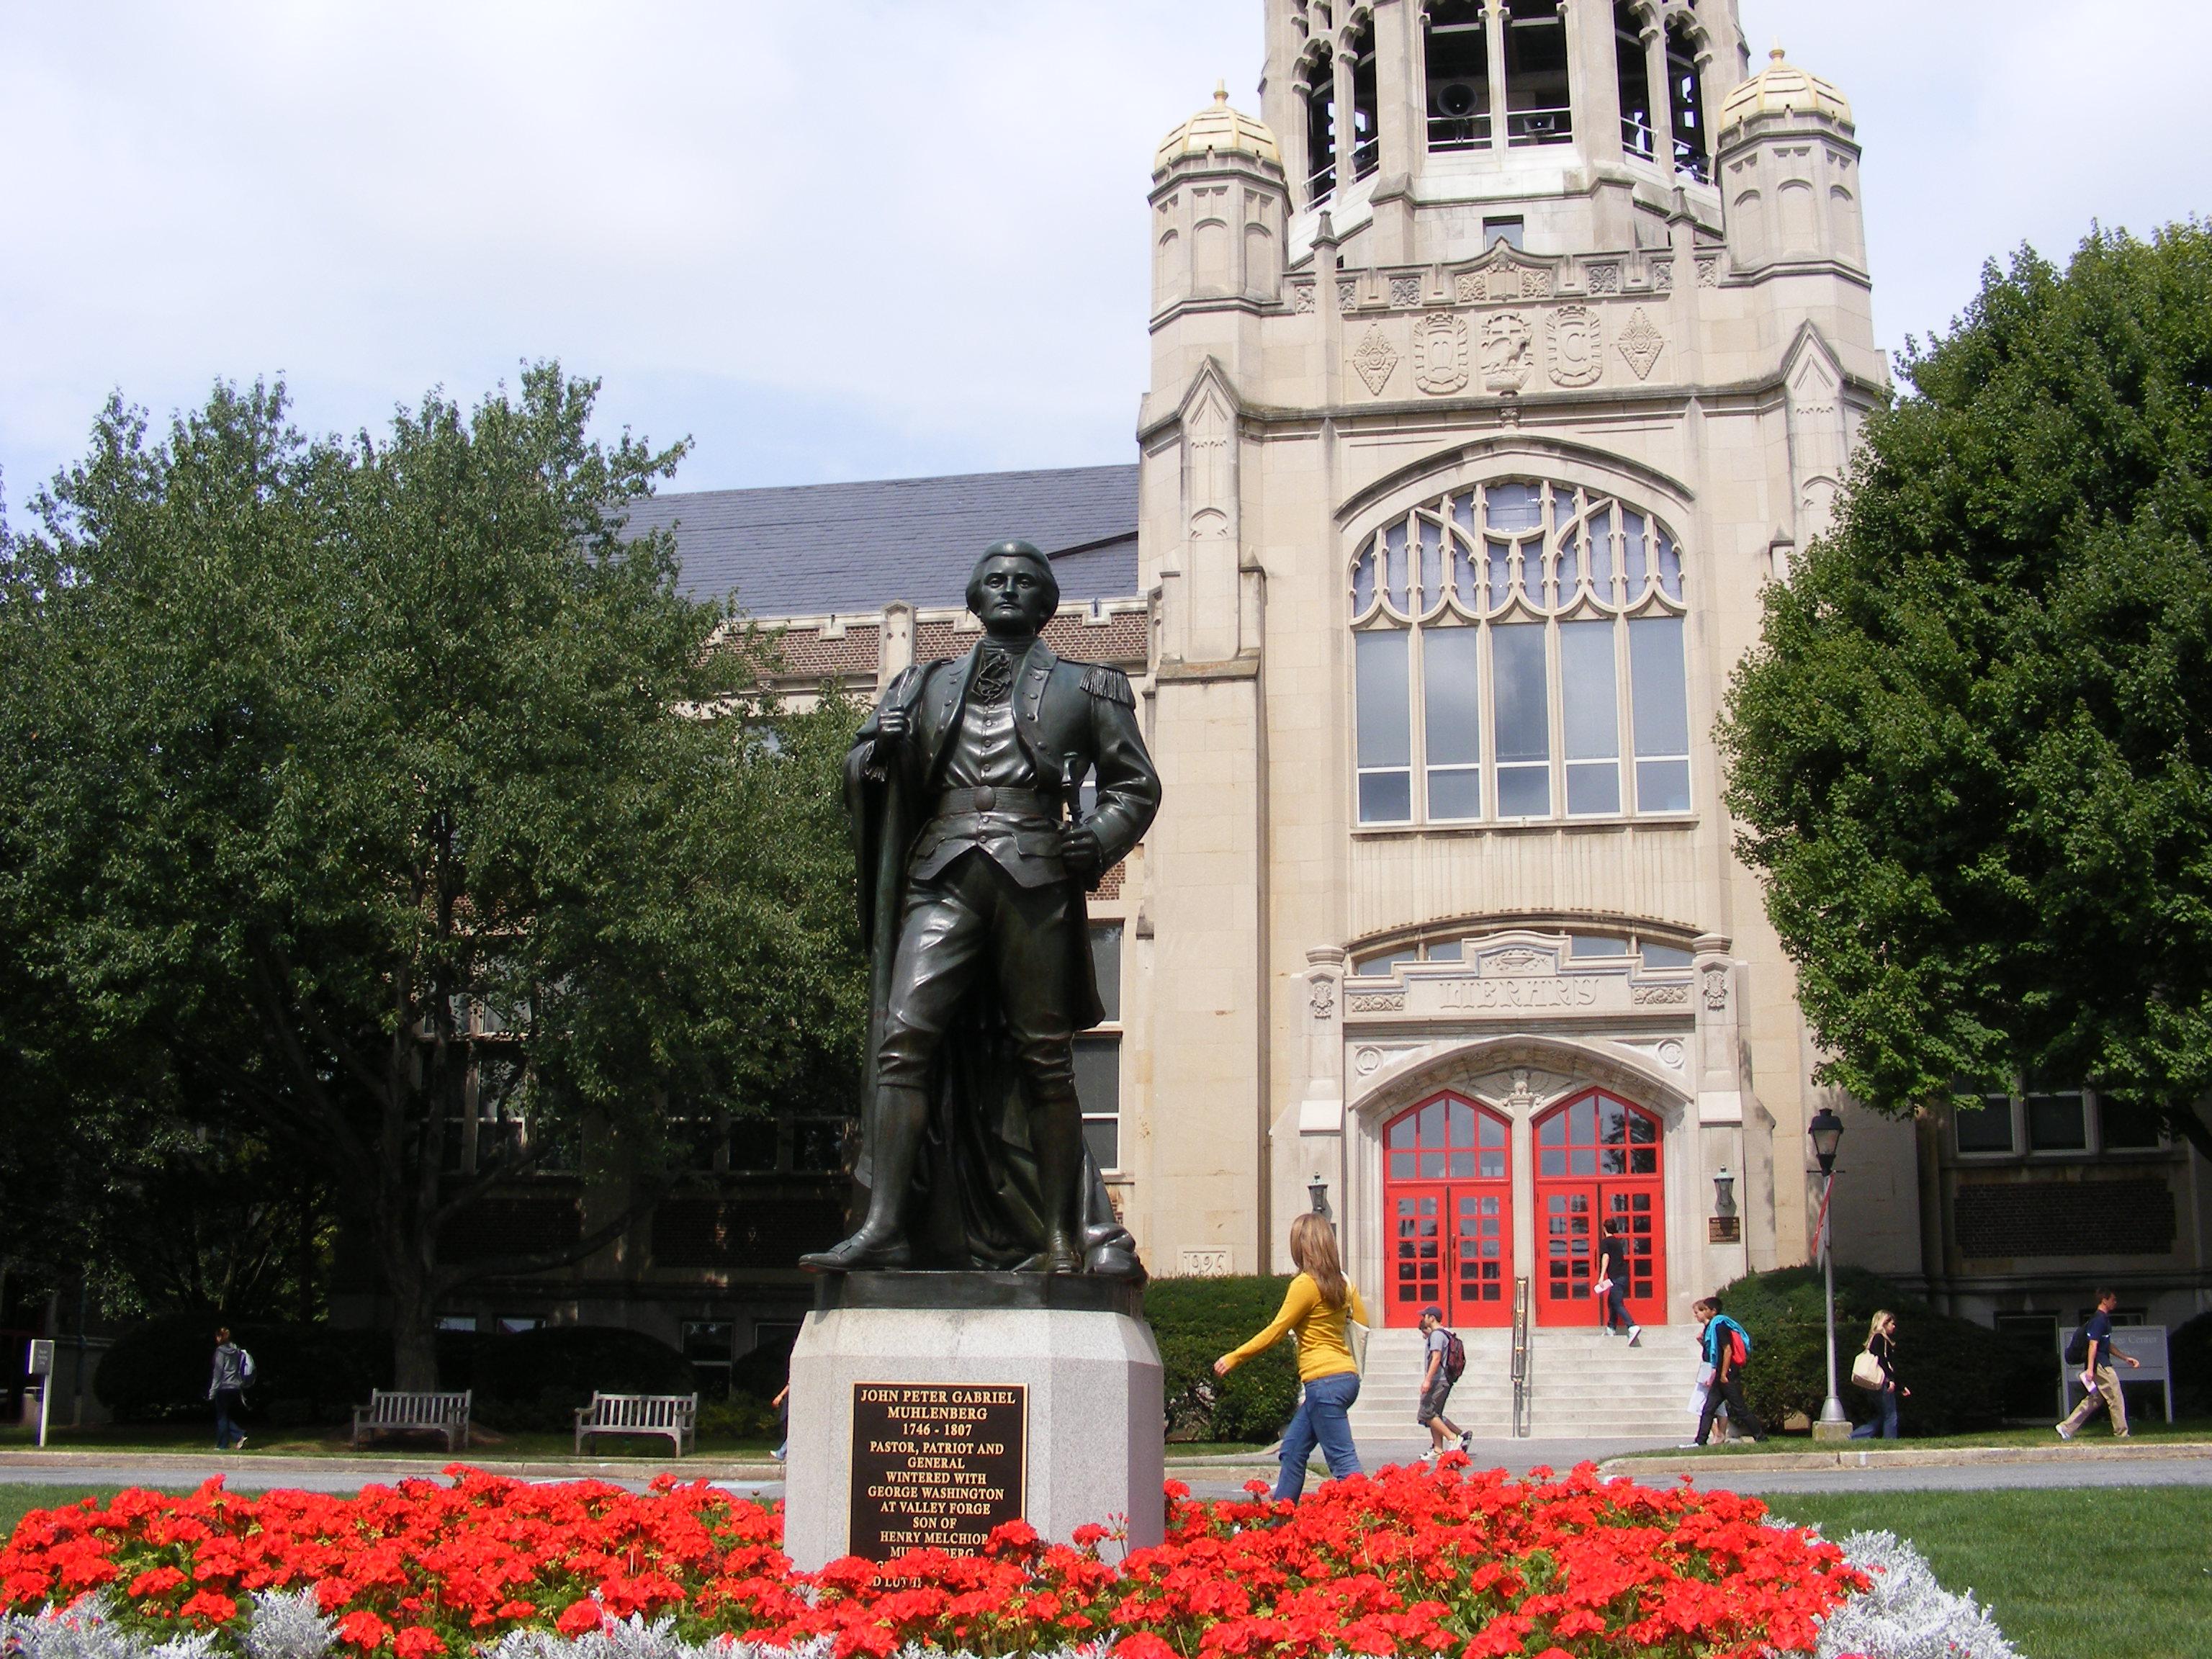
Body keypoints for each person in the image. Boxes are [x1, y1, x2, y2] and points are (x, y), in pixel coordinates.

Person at [800, 540, 1160, 1276]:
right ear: (974, 597)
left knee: (1045, 1059)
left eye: (1024, 581)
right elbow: (862, 770)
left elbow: (1136, 787)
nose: (1008, 589)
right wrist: (876, 756)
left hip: (1035, 874)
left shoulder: (1090, 686)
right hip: (943, 874)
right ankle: (885, 1227)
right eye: (994, 580)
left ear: (1046, 601)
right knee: (904, 1039)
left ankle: (1058, 1241)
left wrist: (1095, 838)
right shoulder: (921, 685)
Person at [1215, 1213, 1368, 1501]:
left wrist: (1234, 1357)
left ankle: (1376, 1520)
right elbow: (1363, 1322)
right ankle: (1281, 1519)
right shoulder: (1344, 1283)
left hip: (1324, 1382)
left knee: (1345, 1465)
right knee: (1293, 1450)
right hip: (1345, 1378)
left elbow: (1277, 1330)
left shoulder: (1305, 1285)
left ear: (1301, 1246)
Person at [2057, 1287, 2141, 1440]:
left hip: (2099, 1363)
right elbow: (2093, 1345)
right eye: (2113, 1299)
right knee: (2115, 1396)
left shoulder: (2104, 1320)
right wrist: (2090, 1369)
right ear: (2104, 1300)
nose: (2115, 1302)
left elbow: (2106, 1344)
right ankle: (2122, 1433)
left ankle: (2066, 1427)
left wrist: (2125, 1358)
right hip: (2101, 1365)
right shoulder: (2098, 1320)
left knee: (2096, 1398)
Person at [1690, 1297, 1761, 1447]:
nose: (1704, 1312)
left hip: (1727, 1375)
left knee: (1740, 1409)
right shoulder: (1711, 1327)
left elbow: (1727, 1350)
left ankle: (1760, 1437)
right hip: (1719, 1376)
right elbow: (1712, 1351)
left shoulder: (1720, 1326)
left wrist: (1723, 1374)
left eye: (1706, 1309)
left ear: (1713, 1311)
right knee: (1708, 1409)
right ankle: (1700, 1441)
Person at [1414, 1305, 1470, 1458]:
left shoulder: (1437, 1335)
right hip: (1443, 1379)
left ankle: (1454, 1438)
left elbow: (1436, 1357)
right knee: (1435, 1414)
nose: (1423, 1319)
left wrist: (1427, 1380)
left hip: (1438, 1379)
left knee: (1427, 1413)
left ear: (1432, 1318)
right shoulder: (1445, 1333)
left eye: (1425, 1316)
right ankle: (1438, 1448)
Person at [1850, 1309, 1909, 1439]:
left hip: (1874, 1382)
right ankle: (1889, 1441)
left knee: (1884, 1414)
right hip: (1882, 1381)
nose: (1894, 1327)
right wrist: (1891, 1380)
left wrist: (1900, 1386)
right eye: (1892, 1323)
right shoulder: (1880, 1338)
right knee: (1891, 1415)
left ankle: (1857, 1436)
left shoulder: (1875, 1339)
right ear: (1884, 1323)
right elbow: (1883, 1361)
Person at [1596, 1218, 1641, 1344]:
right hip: (1622, 1275)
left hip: (1616, 1276)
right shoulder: (1617, 1242)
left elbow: (1606, 1257)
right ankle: (1611, 1328)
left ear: (1604, 1229)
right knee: (1612, 1301)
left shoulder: (1606, 1242)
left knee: (1617, 1303)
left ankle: (1632, 1326)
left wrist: (1602, 1276)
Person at [207, 1327, 251, 1451]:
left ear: (219, 1337)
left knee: (222, 1416)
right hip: (235, 1386)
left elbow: (218, 1372)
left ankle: (223, 1445)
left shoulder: (220, 1351)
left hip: (224, 1387)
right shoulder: (236, 1350)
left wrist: (212, 1391)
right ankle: (239, 1435)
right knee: (225, 1415)